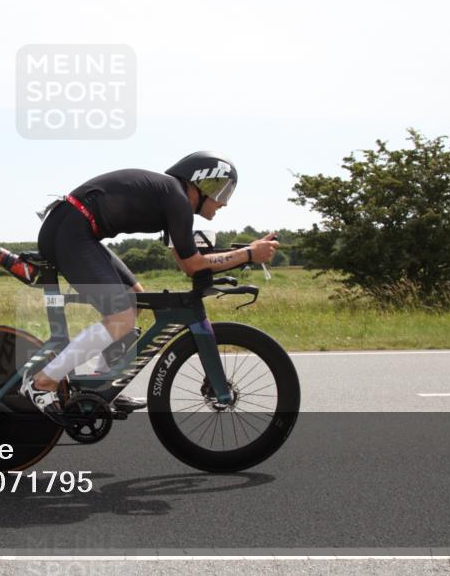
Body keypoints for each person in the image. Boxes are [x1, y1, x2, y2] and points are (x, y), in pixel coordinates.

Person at [20, 152, 280, 420]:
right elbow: (193, 265)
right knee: (121, 317)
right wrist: (249, 254)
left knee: (136, 299)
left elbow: (189, 260)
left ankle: (103, 383)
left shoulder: (172, 198)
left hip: (76, 228)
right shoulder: (177, 199)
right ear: (202, 183)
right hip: (70, 231)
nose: (223, 202)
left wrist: (246, 252)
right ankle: (43, 382)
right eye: (221, 191)